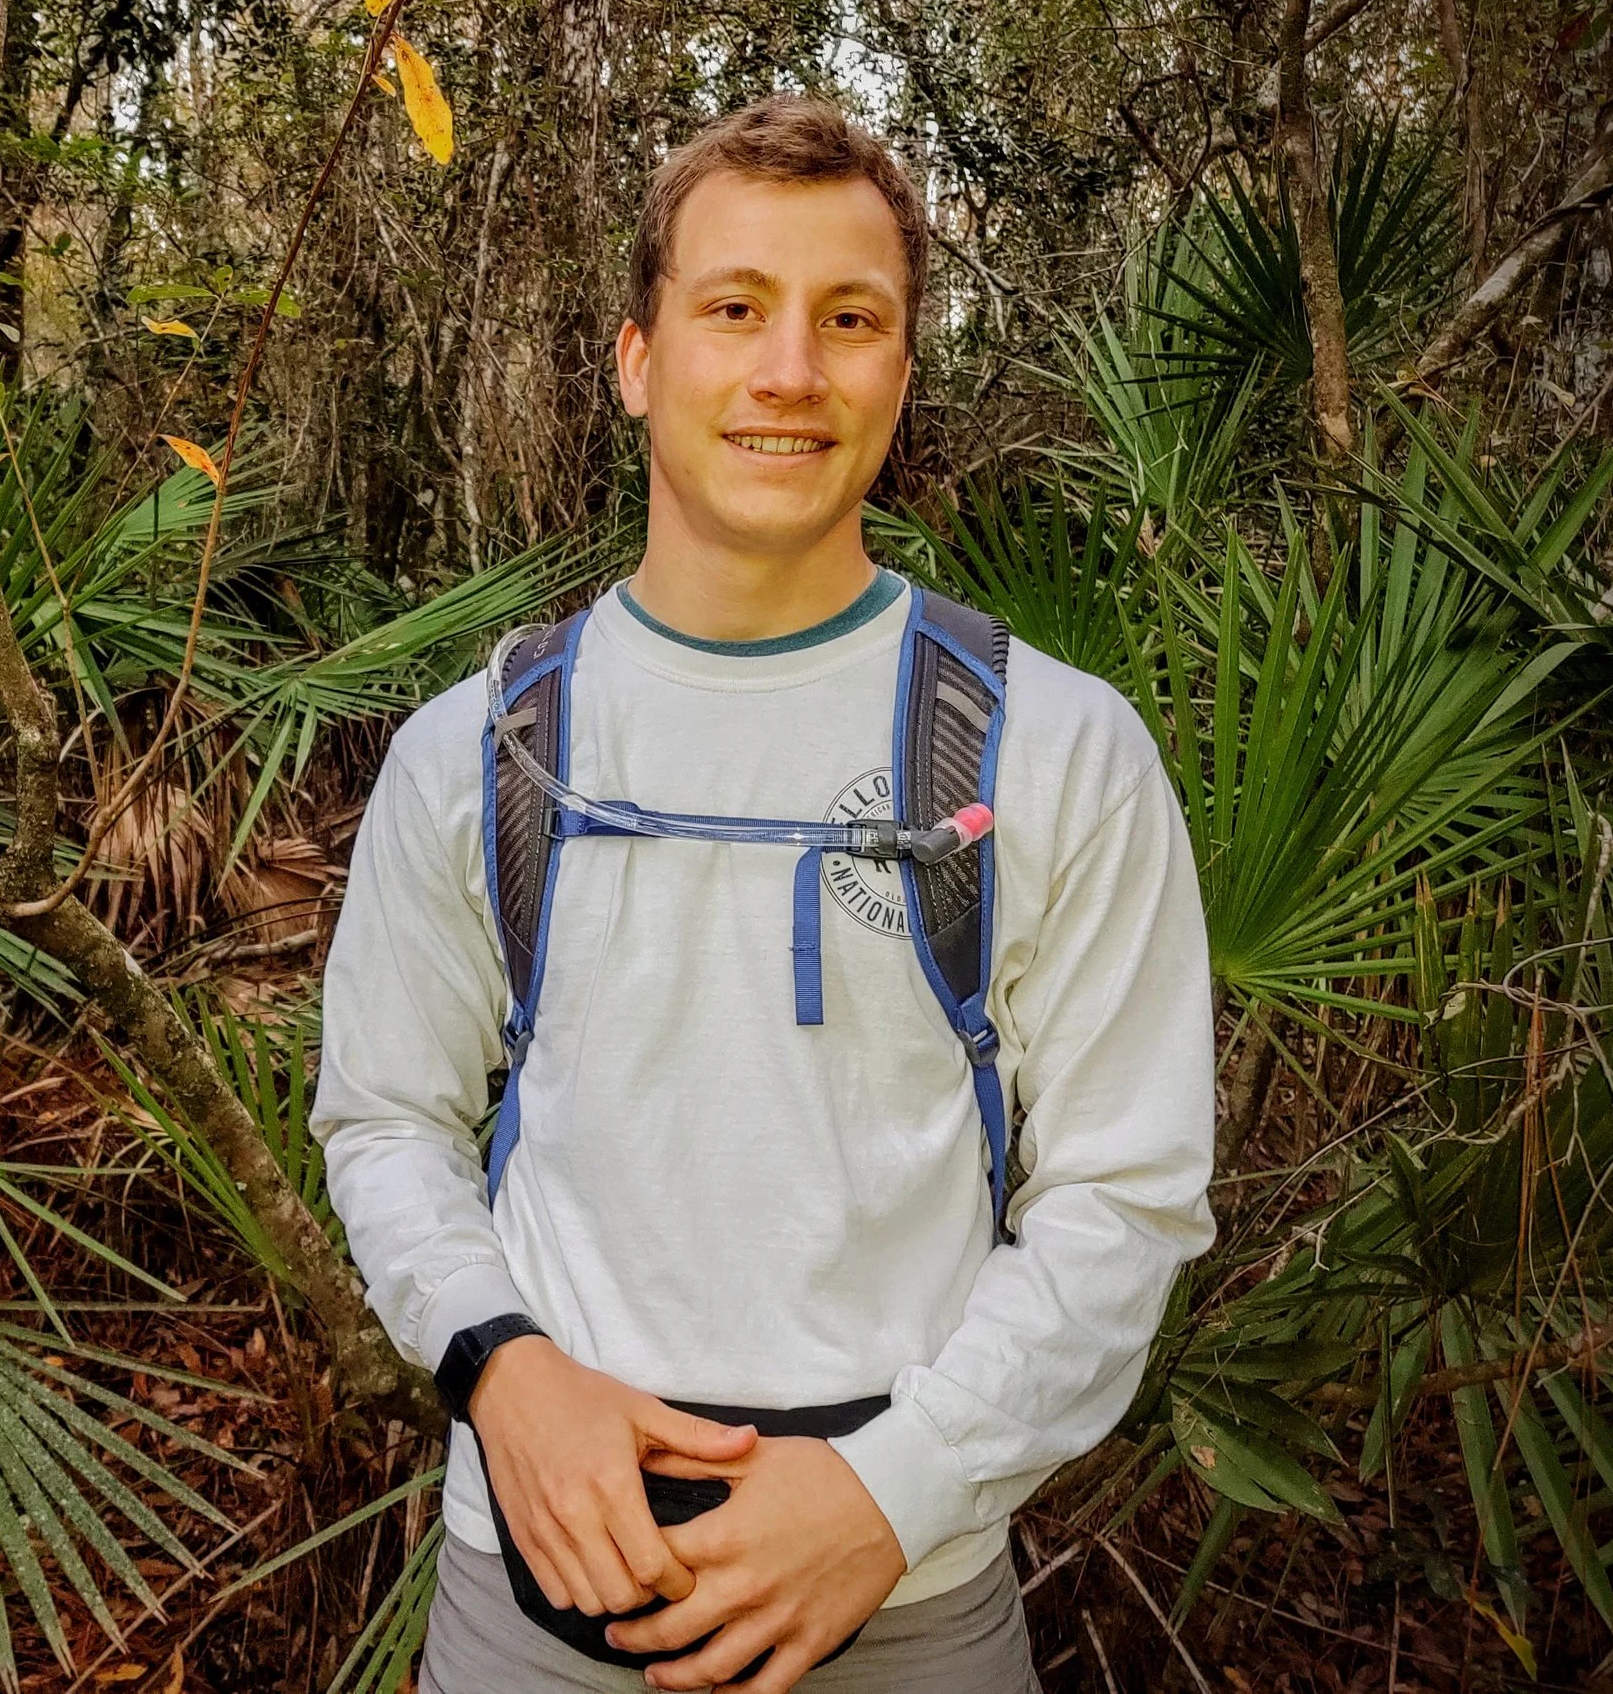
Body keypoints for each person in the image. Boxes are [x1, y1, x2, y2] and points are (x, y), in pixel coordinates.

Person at [309, 93, 1215, 1693]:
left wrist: (891, 1485)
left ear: (900, 374)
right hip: (529, 1597)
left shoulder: (1060, 749)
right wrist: (502, 1367)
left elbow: (1127, 1198)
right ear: (640, 359)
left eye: (849, 319)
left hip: (912, 1603)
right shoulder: (481, 753)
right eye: (735, 308)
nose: (791, 370)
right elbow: (386, 1119)